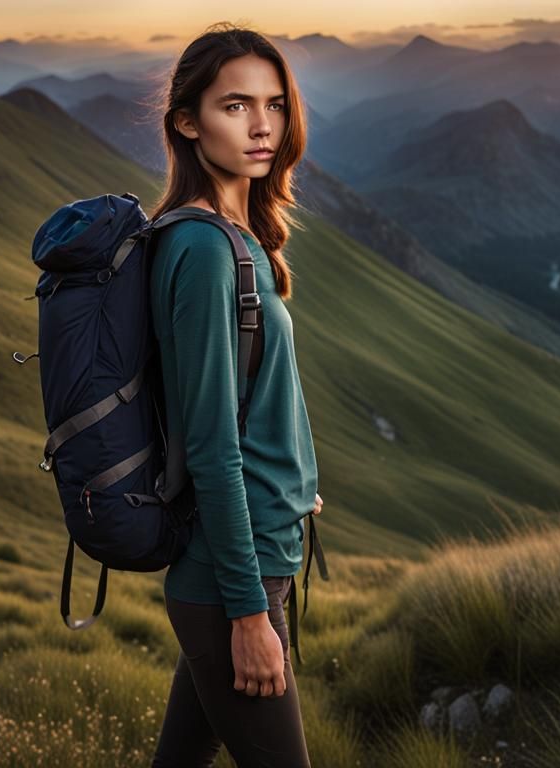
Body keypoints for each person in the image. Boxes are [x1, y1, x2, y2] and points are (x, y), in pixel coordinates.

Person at [146, 22, 324, 768]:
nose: (261, 126)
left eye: (274, 104)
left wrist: (295, 482)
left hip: (247, 558)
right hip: (231, 582)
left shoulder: (236, 236)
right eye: (235, 106)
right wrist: (251, 613)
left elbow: (255, 401)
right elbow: (212, 445)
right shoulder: (202, 249)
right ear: (188, 123)